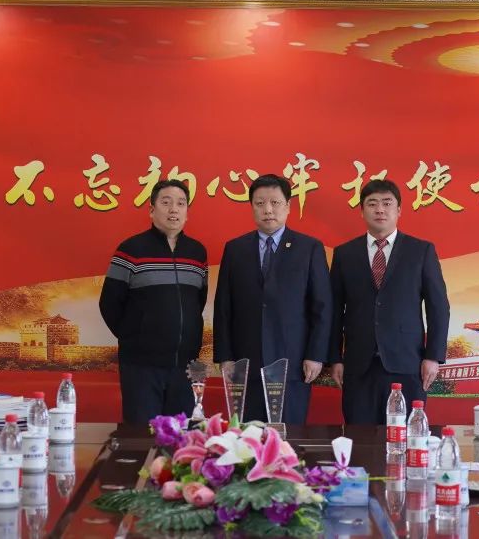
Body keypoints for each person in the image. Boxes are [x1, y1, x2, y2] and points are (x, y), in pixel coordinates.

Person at [213, 174, 332, 425]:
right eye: (260, 203)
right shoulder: (235, 249)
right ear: (252, 207)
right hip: (245, 364)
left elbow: (321, 306)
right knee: (248, 437)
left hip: (293, 363)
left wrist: (316, 354)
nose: (268, 210)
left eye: (275, 203)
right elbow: (224, 306)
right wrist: (225, 356)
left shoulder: (309, 248)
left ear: (288, 206)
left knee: (288, 436)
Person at [328, 179, 450, 424]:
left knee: (404, 435)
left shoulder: (421, 251)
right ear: (362, 211)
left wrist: (433, 356)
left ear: (399, 210)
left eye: (387, 203)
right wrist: (334, 358)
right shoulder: (345, 254)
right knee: (360, 436)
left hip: (407, 363)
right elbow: (334, 310)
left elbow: (438, 307)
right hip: (358, 365)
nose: (380, 210)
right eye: (372, 204)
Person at [99, 180, 208, 424]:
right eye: (166, 202)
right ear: (151, 210)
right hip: (141, 367)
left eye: (181, 204)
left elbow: (197, 302)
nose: (174, 209)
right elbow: (109, 303)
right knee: (142, 436)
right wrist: (136, 336)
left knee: (181, 436)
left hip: (185, 367)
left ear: (187, 212)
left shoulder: (197, 253)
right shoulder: (130, 250)